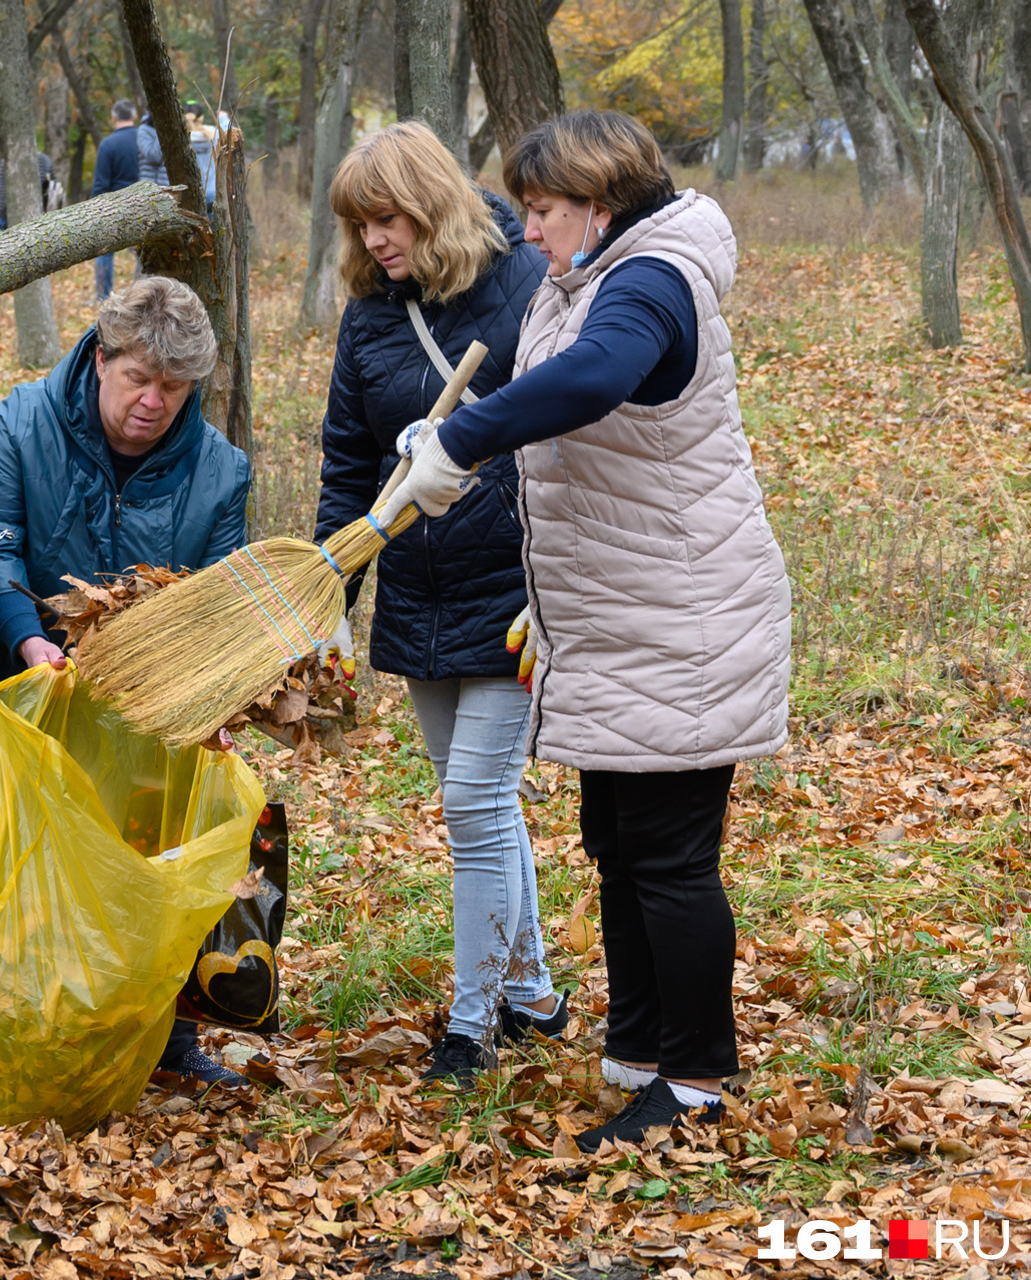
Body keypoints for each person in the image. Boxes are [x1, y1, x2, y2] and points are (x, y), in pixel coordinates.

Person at [402, 110, 791, 1151]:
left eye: (539, 210)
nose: (526, 230)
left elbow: (591, 382)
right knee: (618, 842)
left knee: (669, 855)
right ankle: (640, 1042)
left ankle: (697, 1073)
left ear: (598, 206)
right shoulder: (587, 272)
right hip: (618, 607)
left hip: (686, 616)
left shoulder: (653, 281)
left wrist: (465, 438)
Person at [0, 276, 249, 1086]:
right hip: (12, 668)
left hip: (144, 695)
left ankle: (162, 1041)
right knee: (23, 846)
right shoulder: (26, 418)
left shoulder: (220, 471)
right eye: (138, 379)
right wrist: (30, 642)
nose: (153, 401)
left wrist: (208, 698)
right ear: (100, 359)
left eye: (173, 388)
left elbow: (213, 602)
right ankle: (27, 1027)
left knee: (146, 857)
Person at [315, 123, 553, 1087]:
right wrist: (334, 592)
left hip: (511, 588)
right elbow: (347, 462)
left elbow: (569, 438)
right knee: (484, 806)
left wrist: (554, 578)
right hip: (417, 593)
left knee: (472, 803)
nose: (374, 240)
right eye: (358, 224)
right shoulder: (370, 317)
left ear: (433, 202)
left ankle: (472, 1024)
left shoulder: (524, 285)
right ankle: (534, 991)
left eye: (388, 216)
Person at [88, 100, 140, 301]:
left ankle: (103, 296)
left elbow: (101, 185)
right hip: (144, 204)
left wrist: (95, 212)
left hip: (115, 208)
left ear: (114, 117)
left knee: (105, 252)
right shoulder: (144, 141)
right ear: (134, 116)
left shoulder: (108, 144)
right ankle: (141, 295)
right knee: (144, 254)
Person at [0, 149, 52, 232]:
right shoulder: (45, 159)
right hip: (38, 215)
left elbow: (2, 194)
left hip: (9, 215)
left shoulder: (8, 160)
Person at [184, 102, 219, 214]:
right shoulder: (213, 135)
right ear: (201, 118)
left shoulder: (181, 139)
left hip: (191, 195)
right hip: (213, 192)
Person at [137, 117, 167, 184]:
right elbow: (154, 157)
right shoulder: (144, 130)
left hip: (169, 186)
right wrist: (163, 129)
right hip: (149, 187)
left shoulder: (176, 127)